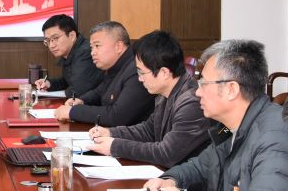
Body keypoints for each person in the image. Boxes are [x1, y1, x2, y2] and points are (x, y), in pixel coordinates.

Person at [142, 39, 288, 191]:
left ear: (231, 89)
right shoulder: (230, 126)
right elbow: (201, 166)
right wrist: (170, 180)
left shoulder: (275, 137)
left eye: (203, 83)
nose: (197, 92)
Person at [86, 30, 211, 168]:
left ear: (164, 72)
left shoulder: (191, 102)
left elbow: (167, 154)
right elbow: (149, 130)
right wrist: (110, 132)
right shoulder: (166, 93)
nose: (139, 79)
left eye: (141, 72)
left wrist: (115, 146)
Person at [54, 21, 153, 126]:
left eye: (97, 46)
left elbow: (117, 116)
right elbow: (100, 91)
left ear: (118, 46)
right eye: (91, 47)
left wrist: (73, 112)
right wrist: (82, 101)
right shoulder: (116, 66)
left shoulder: (136, 70)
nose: (92, 52)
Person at [34, 14, 103, 98]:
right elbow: (67, 82)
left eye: (55, 38)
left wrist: (46, 94)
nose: (51, 45)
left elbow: (77, 91)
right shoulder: (69, 52)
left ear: (72, 36)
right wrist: (49, 83)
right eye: (48, 41)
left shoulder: (85, 53)